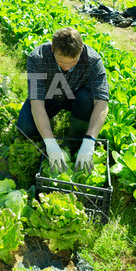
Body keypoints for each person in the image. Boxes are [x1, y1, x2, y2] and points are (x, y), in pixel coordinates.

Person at [17, 27, 109, 174]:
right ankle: (47, 127)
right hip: (48, 96)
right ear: (53, 49)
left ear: (81, 50)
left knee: (86, 98)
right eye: (61, 62)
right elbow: (37, 102)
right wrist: (50, 142)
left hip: (75, 96)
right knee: (25, 127)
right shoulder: (37, 58)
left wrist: (90, 140)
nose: (67, 67)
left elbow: (102, 102)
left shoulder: (93, 60)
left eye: (73, 62)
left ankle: (77, 141)